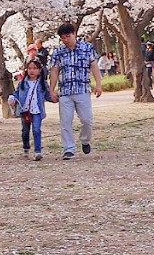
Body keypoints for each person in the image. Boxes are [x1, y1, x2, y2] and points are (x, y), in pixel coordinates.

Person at [47, 19, 97, 159]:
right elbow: (55, 71)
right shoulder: (58, 52)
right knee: (65, 122)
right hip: (65, 91)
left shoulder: (87, 48)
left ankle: (85, 140)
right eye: (63, 38)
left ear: (74, 34)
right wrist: (52, 89)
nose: (66, 40)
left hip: (82, 89)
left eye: (68, 36)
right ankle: (68, 148)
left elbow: (94, 66)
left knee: (87, 120)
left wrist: (98, 84)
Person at [13, 58, 48, 161]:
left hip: (37, 110)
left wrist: (56, 98)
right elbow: (17, 94)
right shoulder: (22, 82)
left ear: (39, 70)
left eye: (34, 68)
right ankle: (26, 147)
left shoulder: (42, 83)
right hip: (25, 111)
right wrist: (13, 99)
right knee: (25, 131)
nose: (32, 71)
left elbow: (47, 95)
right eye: (29, 68)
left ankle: (38, 151)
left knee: (36, 130)